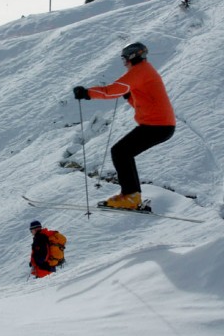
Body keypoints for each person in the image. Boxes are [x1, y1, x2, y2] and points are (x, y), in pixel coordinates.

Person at [73, 42, 175, 210]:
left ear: (132, 57)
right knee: (123, 152)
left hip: (157, 125)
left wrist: (87, 93)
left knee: (120, 152)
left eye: (124, 58)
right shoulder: (145, 71)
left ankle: (131, 197)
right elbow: (145, 102)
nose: (124, 62)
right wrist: (129, 97)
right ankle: (131, 195)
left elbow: (111, 90)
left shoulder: (139, 71)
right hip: (159, 125)